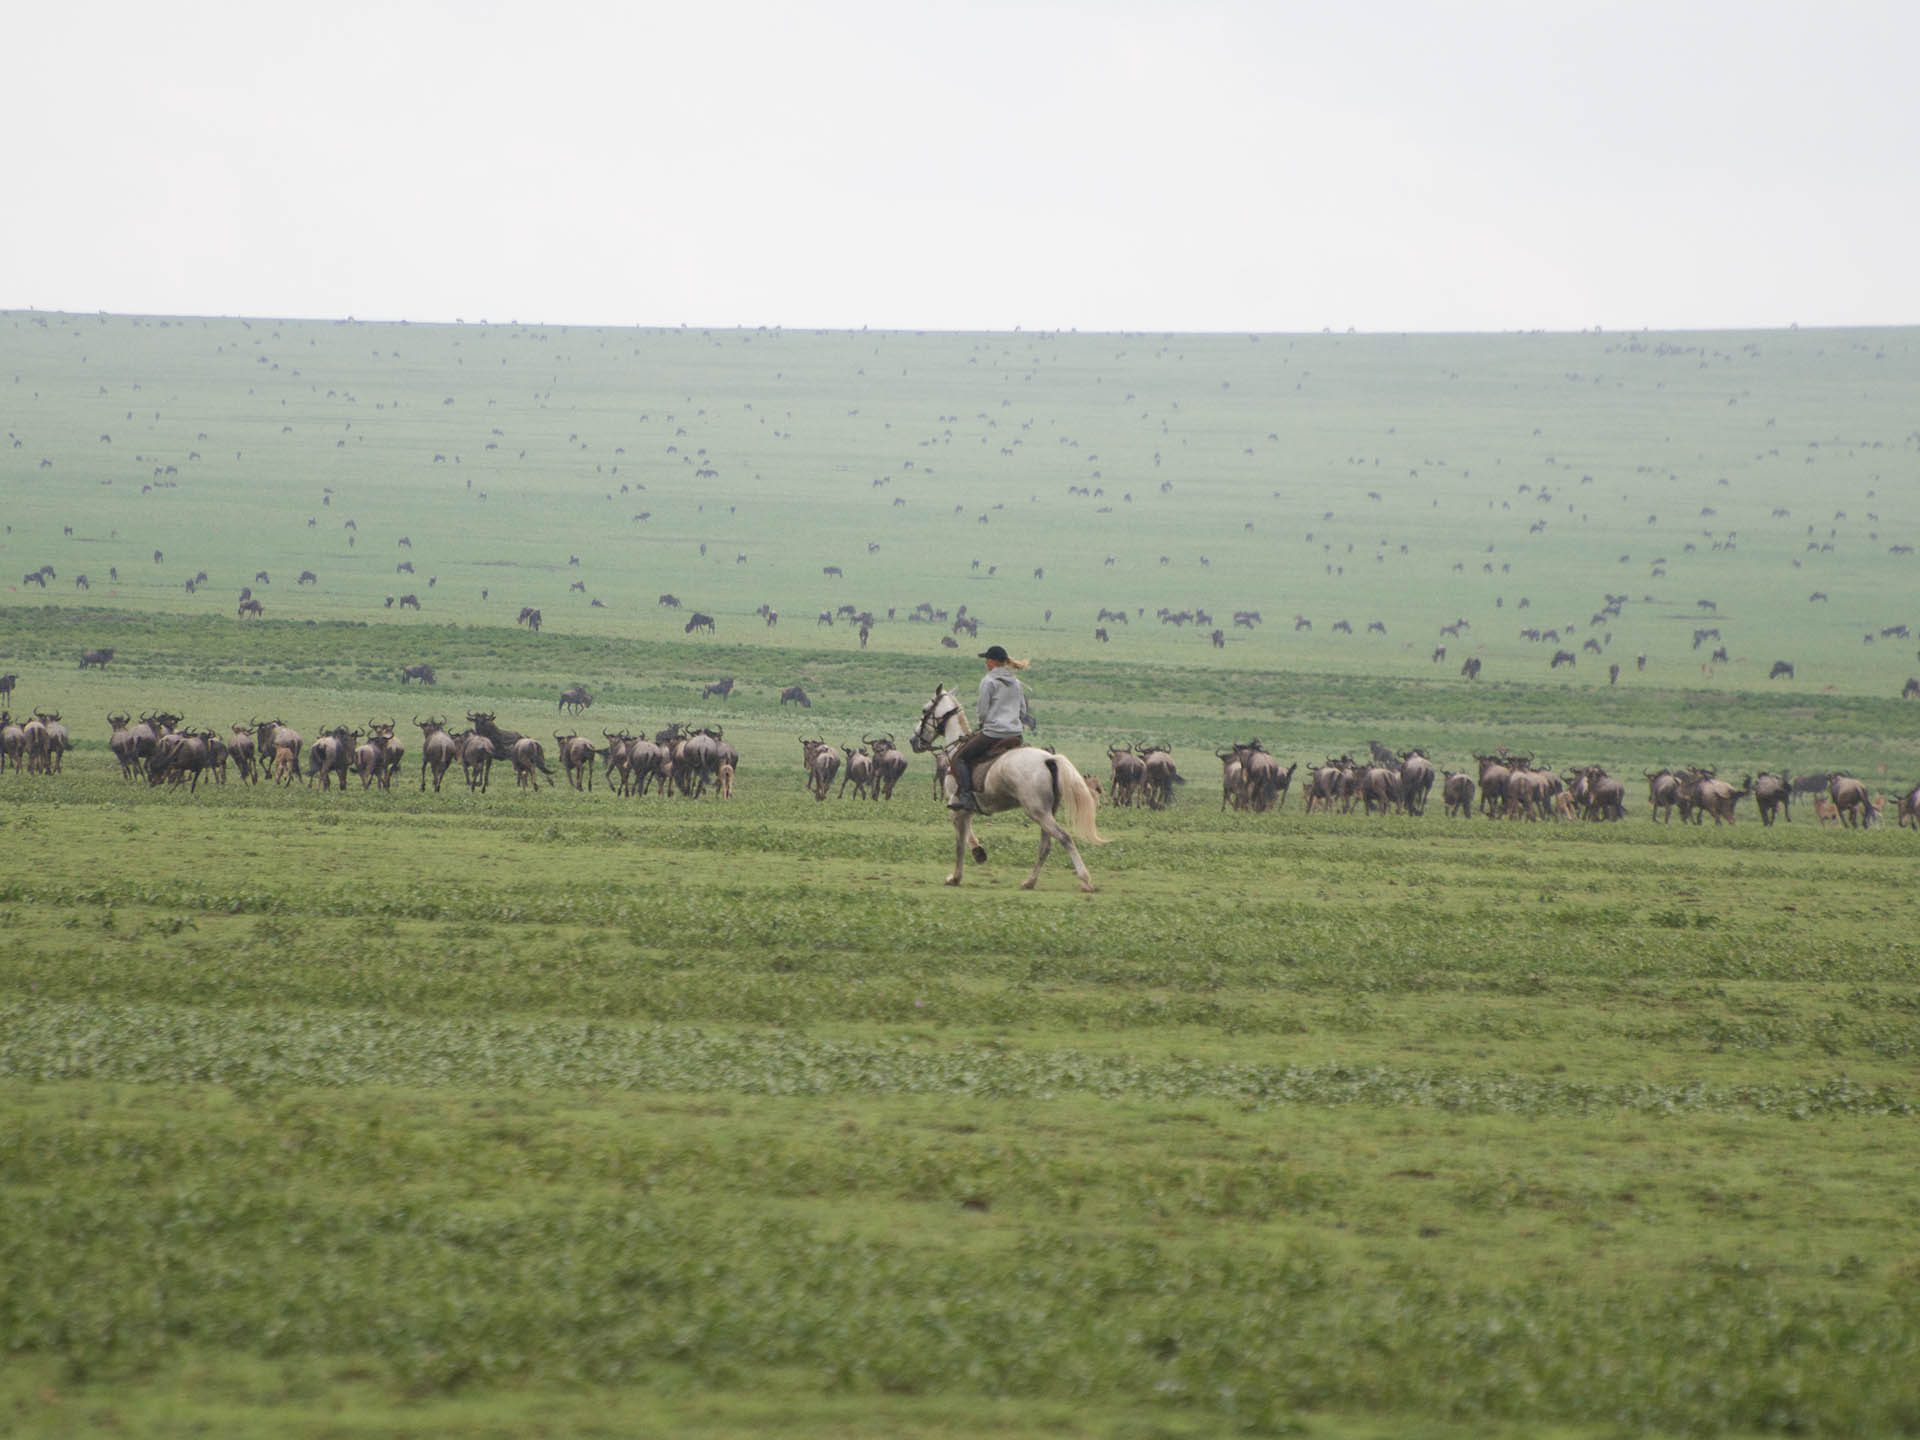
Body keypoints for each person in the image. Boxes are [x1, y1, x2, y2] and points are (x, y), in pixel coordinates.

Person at [948, 645, 1029, 812]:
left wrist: (982, 724)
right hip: (1016, 734)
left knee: (960, 758)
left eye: (987, 660)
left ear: (991, 662)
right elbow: (1023, 711)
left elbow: (983, 711)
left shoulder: (988, 681)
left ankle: (966, 797)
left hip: (994, 733)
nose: (986, 663)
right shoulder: (1017, 683)